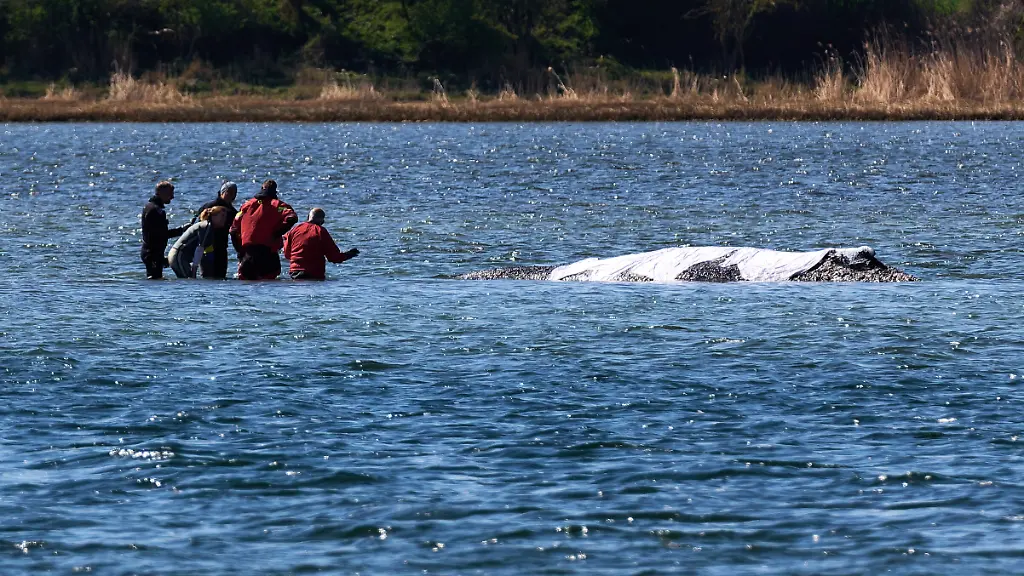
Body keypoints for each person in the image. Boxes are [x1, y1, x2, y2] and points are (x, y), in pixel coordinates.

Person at [229, 179, 298, 280]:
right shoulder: (277, 205)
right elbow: (292, 217)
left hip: (248, 253)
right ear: (275, 191)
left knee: (245, 283)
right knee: (269, 282)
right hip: (268, 253)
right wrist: (277, 232)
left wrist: (240, 252)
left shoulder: (247, 205)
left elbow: (233, 229)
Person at [283, 208, 359, 280]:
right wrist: (349, 254)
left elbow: (287, 254)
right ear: (322, 221)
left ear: (308, 217)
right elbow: (334, 258)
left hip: (294, 272)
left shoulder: (294, 229)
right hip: (313, 274)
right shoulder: (320, 231)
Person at [190, 181, 238, 279]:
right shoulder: (210, 206)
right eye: (230, 193)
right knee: (207, 277)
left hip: (222, 247)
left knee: (221, 277)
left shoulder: (232, 212)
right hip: (207, 248)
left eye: (235, 193)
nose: (233, 196)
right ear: (223, 192)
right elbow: (195, 224)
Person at [141, 180, 188, 279]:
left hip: (151, 252)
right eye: (170, 194)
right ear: (161, 193)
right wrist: (181, 230)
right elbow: (161, 234)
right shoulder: (156, 211)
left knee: (156, 278)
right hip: (152, 253)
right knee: (154, 280)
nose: (172, 197)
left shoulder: (149, 207)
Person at [168, 206, 231, 279]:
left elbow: (207, 250)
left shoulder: (210, 228)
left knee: (188, 280)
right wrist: (194, 270)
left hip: (182, 257)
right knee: (187, 280)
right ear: (213, 216)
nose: (224, 219)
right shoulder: (206, 226)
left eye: (225, 216)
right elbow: (200, 249)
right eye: (222, 216)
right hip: (178, 255)